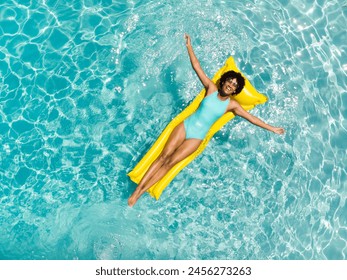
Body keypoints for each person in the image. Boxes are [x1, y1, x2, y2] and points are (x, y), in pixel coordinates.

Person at [128, 34, 285, 207]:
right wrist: (189, 46)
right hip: (185, 127)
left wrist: (273, 128)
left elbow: (252, 119)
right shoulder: (210, 88)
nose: (230, 85)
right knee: (163, 157)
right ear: (223, 81)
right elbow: (197, 67)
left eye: (234, 85)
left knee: (170, 163)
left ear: (235, 91)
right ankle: (136, 191)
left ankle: (141, 193)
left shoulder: (232, 105)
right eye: (229, 82)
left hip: (196, 138)